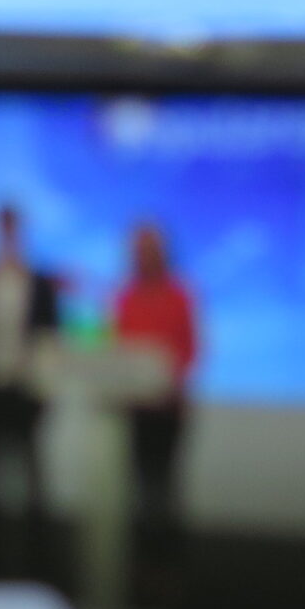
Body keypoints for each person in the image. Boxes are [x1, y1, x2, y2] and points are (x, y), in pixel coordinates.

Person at [0, 204, 62, 518]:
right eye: (3, 227)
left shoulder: (40, 283)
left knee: (32, 468)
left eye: (12, 228)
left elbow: (50, 334)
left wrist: (44, 383)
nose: (8, 234)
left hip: (27, 386)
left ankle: (37, 541)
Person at [113, 221, 199, 528]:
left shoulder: (180, 296)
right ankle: (141, 550)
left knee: (165, 486)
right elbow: (116, 346)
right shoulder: (125, 297)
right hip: (135, 408)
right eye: (139, 250)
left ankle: (167, 551)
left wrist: (168, 380)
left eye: (150, 250)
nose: (144, 256)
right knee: (138, 485)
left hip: (168, 408)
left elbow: (191, 348)